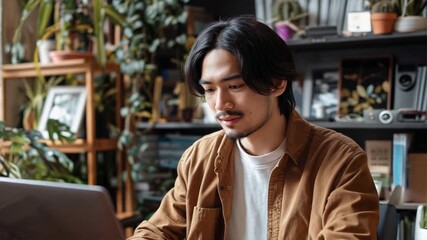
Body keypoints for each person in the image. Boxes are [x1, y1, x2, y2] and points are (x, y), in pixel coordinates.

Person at [129, 15, 379, 239]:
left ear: (278, 83)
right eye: (209, 90)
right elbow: (159, 230)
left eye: (235, 86)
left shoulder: (342, 162)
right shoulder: (199, 158)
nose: (220, 104)